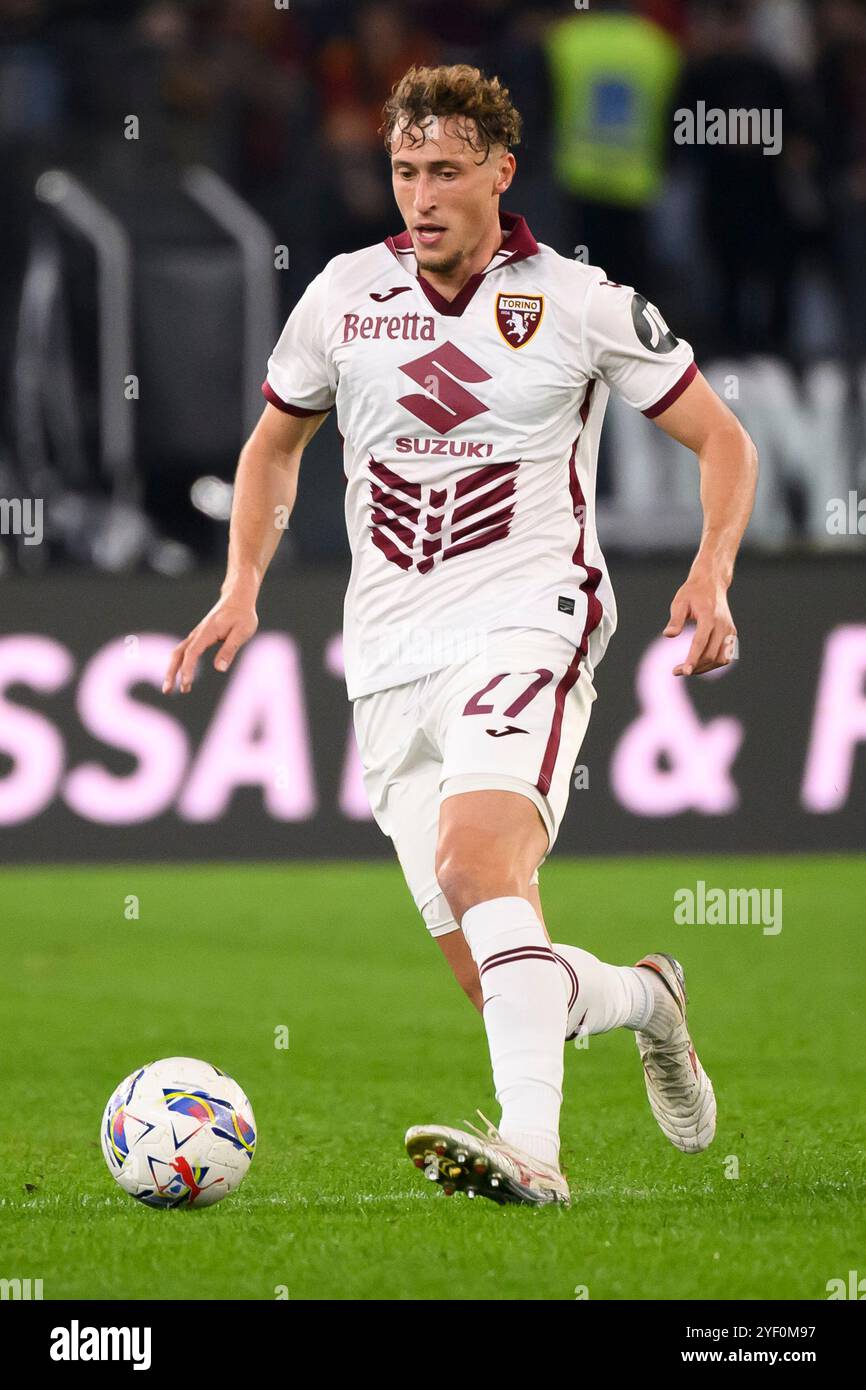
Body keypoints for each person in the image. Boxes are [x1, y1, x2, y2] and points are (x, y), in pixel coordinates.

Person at [163, 64, 758, 1207]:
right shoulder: (342, 297)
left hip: (526, 620)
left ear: (500, 170)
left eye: (444, 171)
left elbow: (720, 440)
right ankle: (646, 998)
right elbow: (273, 446)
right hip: (386, 658)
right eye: (402, 171)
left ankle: (531, 1153)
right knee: (504, 976)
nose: (421, 196)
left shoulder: (578, 301)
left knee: (476, 862)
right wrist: (242, 582)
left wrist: (711, 571)